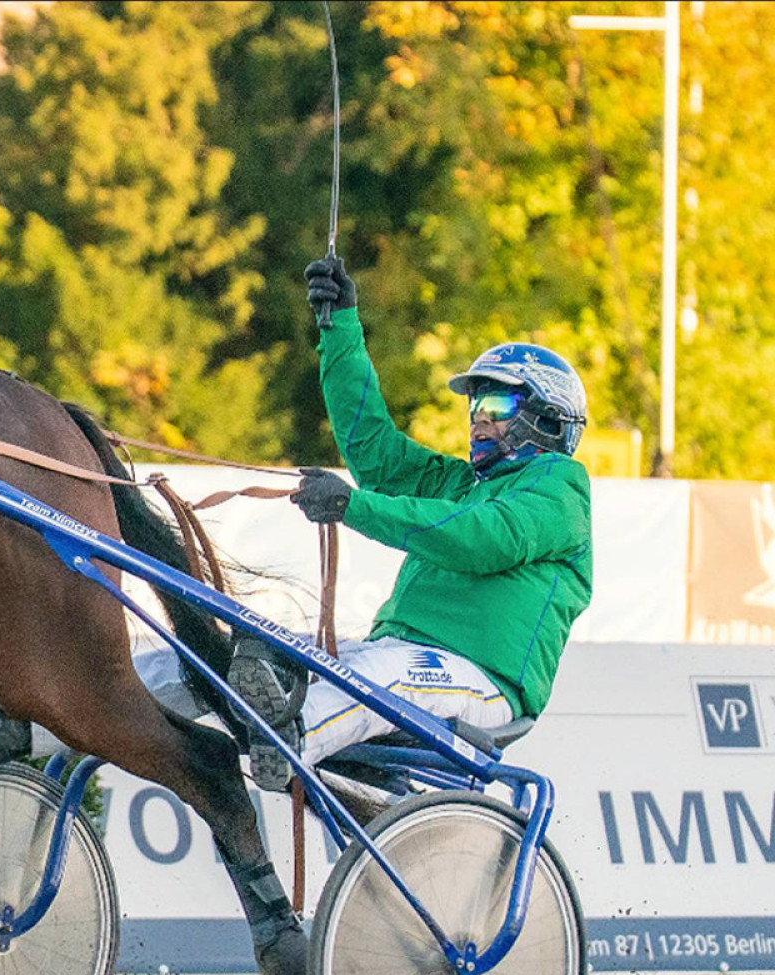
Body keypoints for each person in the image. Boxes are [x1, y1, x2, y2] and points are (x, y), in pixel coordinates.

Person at [214, 255, 595, 790]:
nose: (478, 416)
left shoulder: (560, 489)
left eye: (497, 403)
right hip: (401, 657)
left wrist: (354, 508)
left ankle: (287, 735)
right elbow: (375, 453)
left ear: (550, 420)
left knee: (369, 676)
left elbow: (481, 539)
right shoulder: (462, 484)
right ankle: (74, 719)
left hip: (480, 684)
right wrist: (340, 325)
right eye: (475, 404)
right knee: (229, 650)